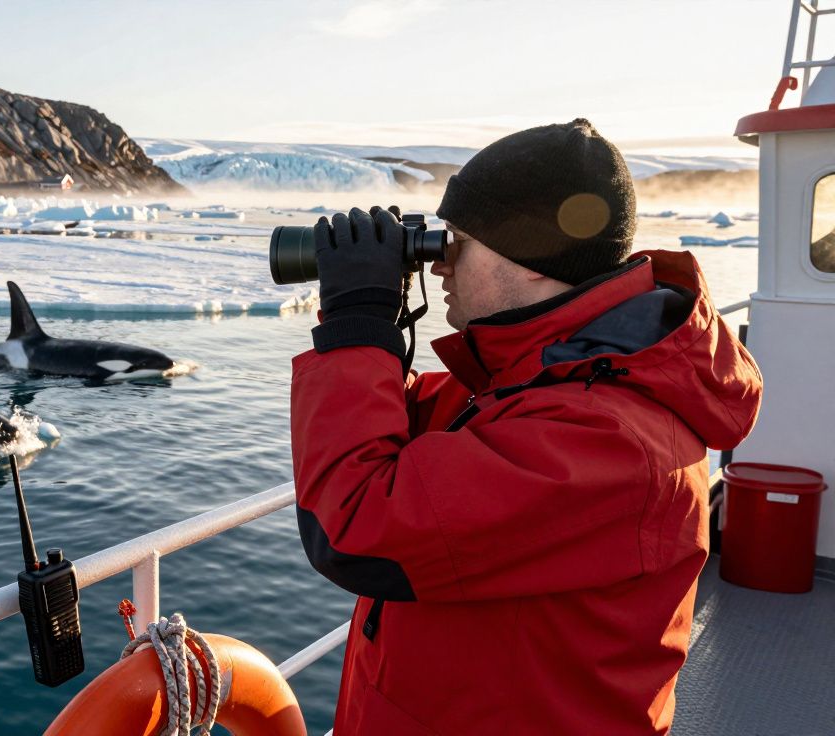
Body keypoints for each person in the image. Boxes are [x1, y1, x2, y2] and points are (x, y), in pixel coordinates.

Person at [292, 119, 763, 735]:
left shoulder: (606, 437)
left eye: (455, 244)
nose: (441, 268)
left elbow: (356, 528)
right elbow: (398, 438)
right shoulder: (542, 373)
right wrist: (370, 325)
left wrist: (360, 325)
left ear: (535, 259)